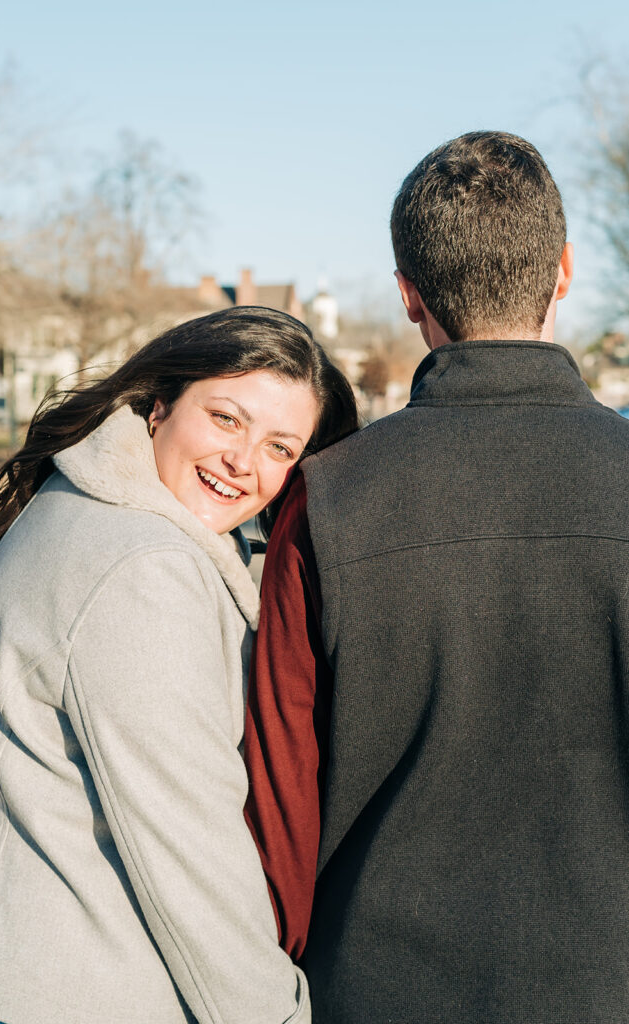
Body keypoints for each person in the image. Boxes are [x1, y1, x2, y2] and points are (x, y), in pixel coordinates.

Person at [244, 131, 629, 1023]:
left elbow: (280, 801)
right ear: (563, 273)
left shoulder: (324, 499)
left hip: (375, 985)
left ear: (409, 294)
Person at [0, 305, 358, 1024]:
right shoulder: (143, 568)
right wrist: (277, 1015)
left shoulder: (80, 505)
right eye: (226, 419)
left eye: (278, 447)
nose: (244, 461)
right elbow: (186, 848)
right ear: (160, 404)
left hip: (5, 972)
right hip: (75, 991)